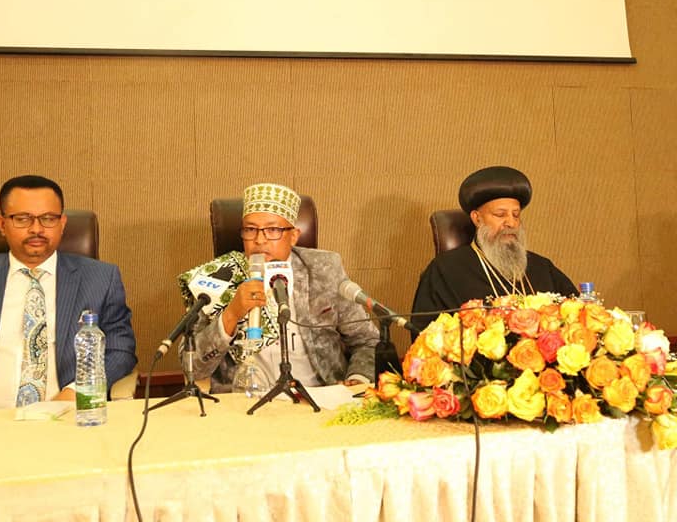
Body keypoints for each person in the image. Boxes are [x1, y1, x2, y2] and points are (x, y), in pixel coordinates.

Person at [0, 175, 138, 409]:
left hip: (62, 415)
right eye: (22, 219)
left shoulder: (100, 279)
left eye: (48, 219)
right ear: (2, 224)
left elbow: (120, 351)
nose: (36, 229)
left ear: (62, 223)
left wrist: (75, 393)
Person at [178, 183, 377, 392]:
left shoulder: (324, 269)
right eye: (250, 230)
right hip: (245, 400)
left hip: (320, 396)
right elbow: (192, 368)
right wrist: (231, 315)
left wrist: (358, 381)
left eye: (273, 230)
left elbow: (367, 340)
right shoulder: (217, 278)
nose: (259, 240)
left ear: (294, 236)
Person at [410, 166, 578, 335]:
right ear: (477, 218)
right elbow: (424, 335)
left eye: (516, 215)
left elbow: (579, 318)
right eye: (500, 214)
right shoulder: (446, 270)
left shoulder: (542, 267)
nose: (511, 223)